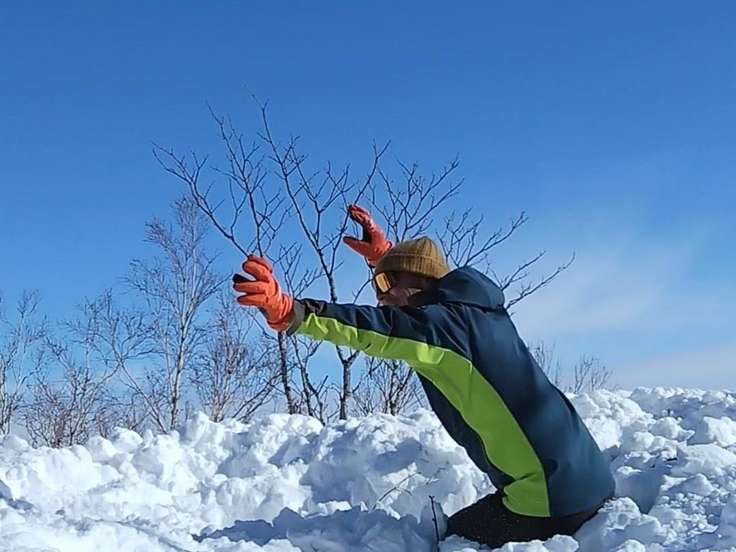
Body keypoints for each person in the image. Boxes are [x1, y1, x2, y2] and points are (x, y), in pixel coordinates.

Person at [232, 204, 615, 548]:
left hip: (552, 498)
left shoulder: (444, 328)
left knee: (449, 539)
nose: (379, 295)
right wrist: (386, 260)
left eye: (387, 284)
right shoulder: (475, 312)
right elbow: (417, 293)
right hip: (586, 479)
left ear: (422, 281)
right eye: (377, 284)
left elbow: (377, 329)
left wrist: (293, 312)